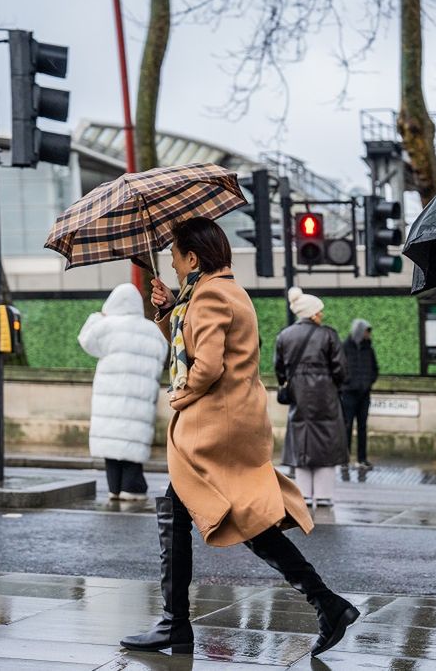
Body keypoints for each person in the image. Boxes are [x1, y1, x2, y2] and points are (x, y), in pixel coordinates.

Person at [121, 217, 358, 657]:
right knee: (240, 520)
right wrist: (169, 309)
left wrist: (181, 395)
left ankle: (176, 624)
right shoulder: (223, 290)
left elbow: (205, 366)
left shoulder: (209, 295)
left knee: (182, 509)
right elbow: (189, 344)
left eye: (175, 258)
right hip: (235, 421)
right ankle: (327, 603)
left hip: (214, 426)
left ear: (193, 258)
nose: (172, 265)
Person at [77, 283, 168, 501]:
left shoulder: (108, 326)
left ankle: (115, 489)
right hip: (141, 402)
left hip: (109, 403)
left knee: (112, 449)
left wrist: (99, 315)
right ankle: (131, 488)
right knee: (132, 448)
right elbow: (162, 357)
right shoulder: (153, 331)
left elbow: (86, 340)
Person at [276, 287, 349, 507]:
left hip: (298, 395)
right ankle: (325, 495)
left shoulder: (284, 336)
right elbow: (340, 369)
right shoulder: (328, 334)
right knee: (327, 441)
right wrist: (333, 385)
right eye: (320, 311)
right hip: (325, 395)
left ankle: (304, 493)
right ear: (313, 313)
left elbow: (279, 370)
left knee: (301, 439)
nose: (322, 315)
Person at [340, 318, 379, 469]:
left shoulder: (369, 348)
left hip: (364, 394)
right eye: (366, 331)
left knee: (362, 427)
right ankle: (345, 459)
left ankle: (362, 459)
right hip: (349, 394)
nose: (368, 335)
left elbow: (374, 368)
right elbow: (340, 368)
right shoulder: (345, 347)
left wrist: (369, 382)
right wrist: (347, 383)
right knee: (347, 426)